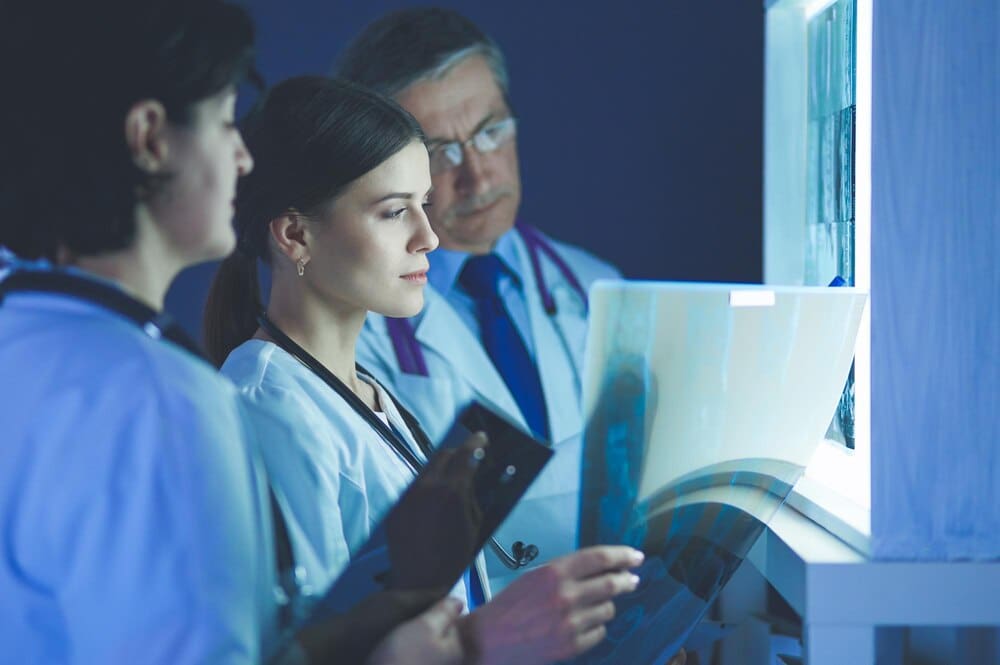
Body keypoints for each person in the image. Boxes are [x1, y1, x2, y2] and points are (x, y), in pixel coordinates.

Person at [0, 2, 479, 662]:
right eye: (226, 122)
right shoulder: (156, 397)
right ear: (151, 138)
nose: (243, 159)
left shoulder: (28, 345)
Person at [203, 75, 649, 665]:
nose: (429, 238)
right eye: (394, 212)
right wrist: (480, 644)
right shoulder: (272, 404)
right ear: (295, 234)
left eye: (425, 205)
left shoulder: (363, 392)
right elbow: (303, 653)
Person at [332, 8, 621, 592]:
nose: (479, 177)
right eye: (440, 151)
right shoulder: (356, 336)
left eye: (491, 131)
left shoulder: (595, 287)